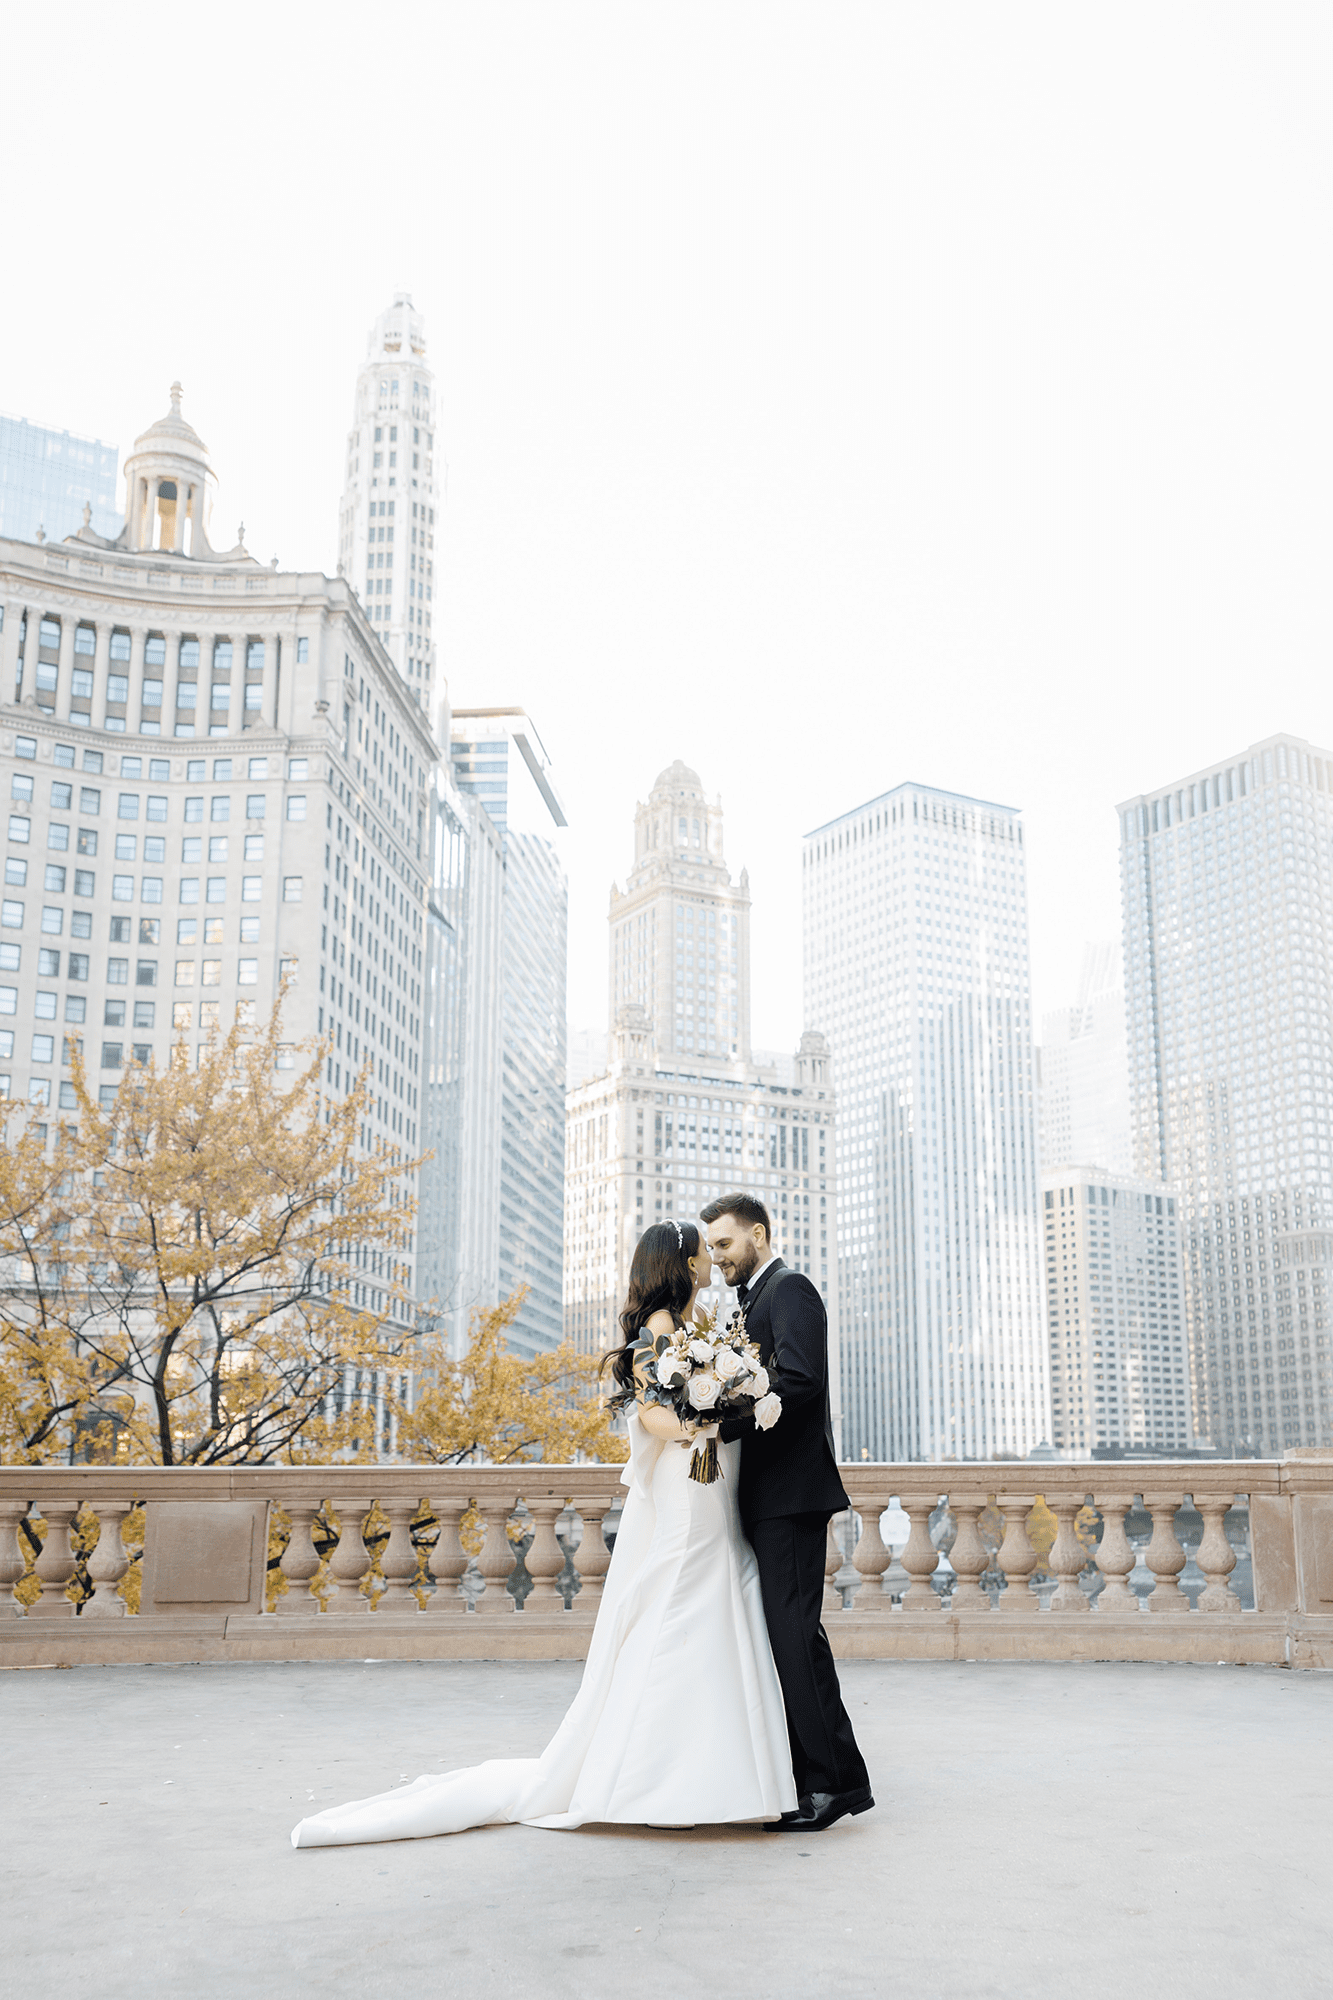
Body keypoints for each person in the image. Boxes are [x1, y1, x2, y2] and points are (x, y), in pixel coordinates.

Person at [290, 1219, 797, 1848]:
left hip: (707, 1480)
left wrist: (724, 1400)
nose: (705, 1262)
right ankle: (662, 1777)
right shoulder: (661, 1329)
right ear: (686, 1265)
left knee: (712, 1595)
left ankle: (712, 1773)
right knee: (685, 1600)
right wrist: (711, 1418)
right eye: (701, 1253)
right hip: (689, 1481)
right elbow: (655, 1415)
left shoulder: (689, 1331)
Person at [701, 1193, 873, 1834]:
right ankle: (820, 1778)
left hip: (793, 1497)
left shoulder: (791, 1289)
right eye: (710, 1247)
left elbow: (799, 1382)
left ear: (759, 1234)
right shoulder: (748, 1303)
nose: (716, 1258)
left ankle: (832, 1786)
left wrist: (723, 1417)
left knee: (796, 1640)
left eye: (724, 1244)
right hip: (766, 1498)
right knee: (790, 1640)